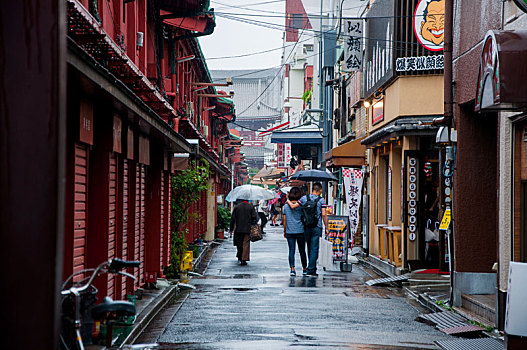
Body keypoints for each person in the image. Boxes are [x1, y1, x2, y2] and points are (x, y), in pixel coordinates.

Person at [288, 182, 328, 276]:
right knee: (314, 248)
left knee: (308, 246)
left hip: (306, 226)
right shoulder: (321, 200)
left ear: (312, 189)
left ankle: (310, 267)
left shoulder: (304, 198)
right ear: (320, 190)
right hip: (316, 226)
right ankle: (311, 269)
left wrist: (288, 201)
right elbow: (323, 214)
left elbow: (293, 207)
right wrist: (327, 227)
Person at [282, 187, 307, 276]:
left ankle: (292, 269)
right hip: (301, 230)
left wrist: (285, 230)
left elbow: (284, 219)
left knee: (291, 250)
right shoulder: (301, 205)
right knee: (302, 250)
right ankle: (304, 268)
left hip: (290, 231)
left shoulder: (285, 206)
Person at [229, 199, 257, 265]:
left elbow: (232, 219)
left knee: (239, 243)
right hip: (247, 228)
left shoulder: (237, 207)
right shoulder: (251, 207)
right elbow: (254, 217)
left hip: (238, 228)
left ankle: (239, 256)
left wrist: (231, 229)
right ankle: (244, 259)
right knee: (246, 244)